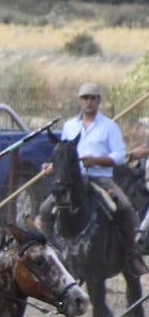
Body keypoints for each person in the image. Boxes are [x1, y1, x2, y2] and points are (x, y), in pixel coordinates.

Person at [40, 82, 149, 276]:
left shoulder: (109, 126)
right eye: (85, 98)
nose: (89, 102)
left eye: (93, 98)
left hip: (102, 178)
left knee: (125, 208)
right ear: (79, 101)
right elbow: (63, 152)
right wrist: (53, 166)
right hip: (73, 180)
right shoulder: (69, 126)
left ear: (98, 100)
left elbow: (119, 155)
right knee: (46, 209)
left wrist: (97, 160)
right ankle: (53, 251)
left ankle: (132, 255)